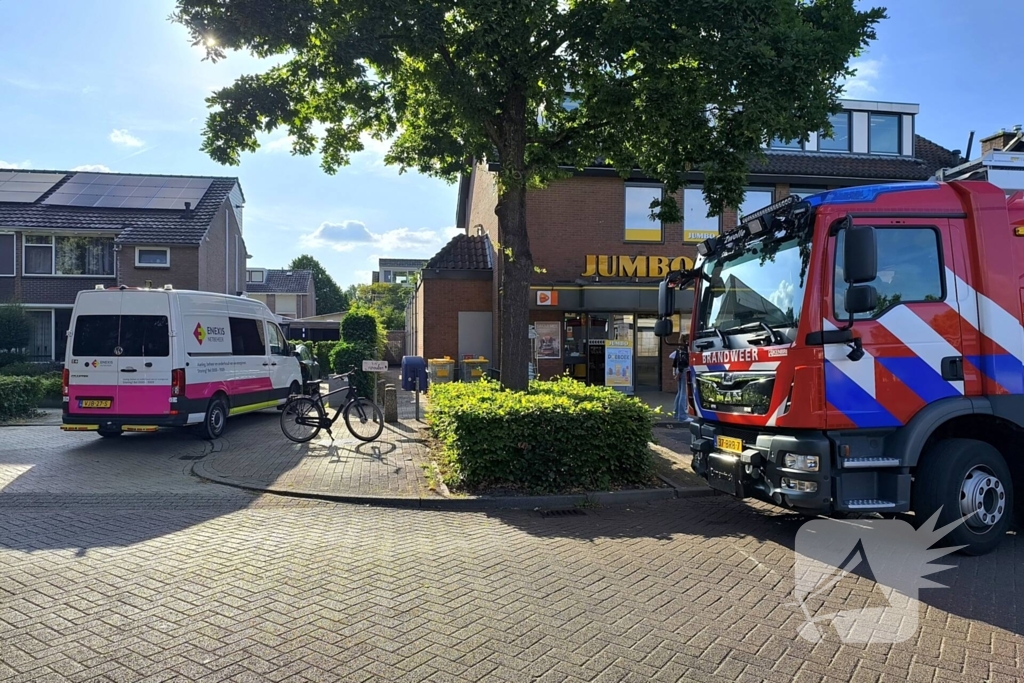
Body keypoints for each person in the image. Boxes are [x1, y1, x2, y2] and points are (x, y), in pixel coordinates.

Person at [671, 334, 690, 423]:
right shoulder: (685, 350)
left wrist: (675, 373)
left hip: (679, 371)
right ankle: (682, 416)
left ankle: (676, 413)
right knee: (683, 393)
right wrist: (681, 373)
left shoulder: (678, 349)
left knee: (679, 393)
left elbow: (675, 363)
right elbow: (683, 362)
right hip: (684, 371)